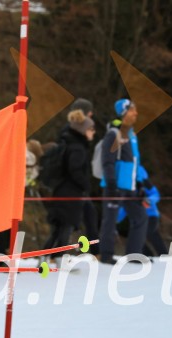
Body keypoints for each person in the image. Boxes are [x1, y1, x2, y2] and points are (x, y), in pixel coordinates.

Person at [98, 99, 149, 264]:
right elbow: (107, 160)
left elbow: (135, 162)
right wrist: (111, 182)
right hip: (115, 186)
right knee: (110, 220)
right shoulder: (114, 133)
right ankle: (106, 255)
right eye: (132, 110)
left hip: (130, 186)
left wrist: (140, 183)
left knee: (140, 217)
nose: (136, 113)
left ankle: (134, 255)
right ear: (124, 112)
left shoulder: (132, 134)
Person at [42, 109, 95, 261]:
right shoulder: (78, 148)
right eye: (91, 129)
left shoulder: (70, 143)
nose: (93, 132)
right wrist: (86, 184)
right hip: (70, 192)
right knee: (66, 225)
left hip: (62, 189)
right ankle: (57, 257)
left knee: (59, 226)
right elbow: (75, 170)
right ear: (84, 130)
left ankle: (47, 256)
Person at [68, 98, 100, 255]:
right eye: (89, 112)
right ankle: (58, 253)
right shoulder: (73, 134)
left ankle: (95, 251)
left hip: (79, 185)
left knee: (89, 215)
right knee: (71, 221)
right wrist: (83, 183)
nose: (92, 115)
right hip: (73, 186)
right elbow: (73, 165)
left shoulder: (83, 131)